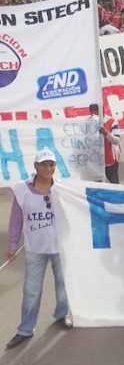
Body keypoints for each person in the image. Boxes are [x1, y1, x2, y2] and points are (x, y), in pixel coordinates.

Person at [5, 150, 71, 349]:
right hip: (35, 249)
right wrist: (12, 245)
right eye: (43, 165)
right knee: (31, 290)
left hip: (59, 246)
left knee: (63, 285)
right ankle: (25, 329)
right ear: (35, 167)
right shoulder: (22, 190)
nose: (48, 168)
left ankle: (62, 314)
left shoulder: (62, 188)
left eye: (51, 164)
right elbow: (16, 220)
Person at [91, 104, 121, 184]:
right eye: (92, 113)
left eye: (96, 113)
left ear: (102, 111)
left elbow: (117, 141)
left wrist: (106, 133)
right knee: (98, 185)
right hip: (95, 161)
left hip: (110, 159)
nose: (94, 115)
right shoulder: (89, 123)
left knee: (114, 183)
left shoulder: (112, 122)